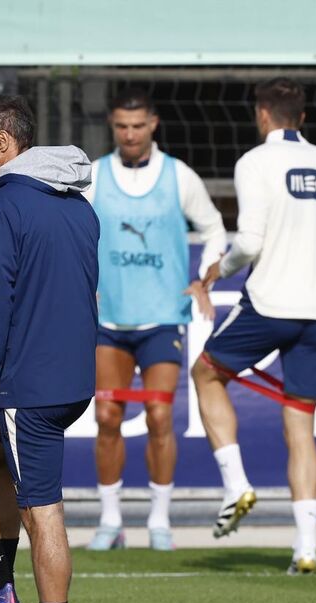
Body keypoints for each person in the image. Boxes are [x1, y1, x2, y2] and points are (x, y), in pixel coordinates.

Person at [194, 77, 316, 574]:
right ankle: (306, 548)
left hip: (271, 303)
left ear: (262, 115)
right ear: (302, 117)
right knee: (301, 422)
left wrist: (217, 270)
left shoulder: (255, 161)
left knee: (205, 375)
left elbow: (248, 241)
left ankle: (235, 484)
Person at [0, 95, 99, 603]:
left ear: (4, 143)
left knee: (44, 511)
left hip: (30, 382)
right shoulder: (79, 205)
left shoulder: (4, 206)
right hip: (71, 378)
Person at [82, 88, 227, 552]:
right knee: (107, 416)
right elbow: (69, 231)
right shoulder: (94, 176)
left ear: (153, 124)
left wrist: (205, 278)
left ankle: (160, 520)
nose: (129, 134)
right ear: (112, 125)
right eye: (122, 126)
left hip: (163, 319)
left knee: (161, 415)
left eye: (138, 125)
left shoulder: (178, 176)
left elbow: (214, 228)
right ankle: (111, 521)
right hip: (110, 321)